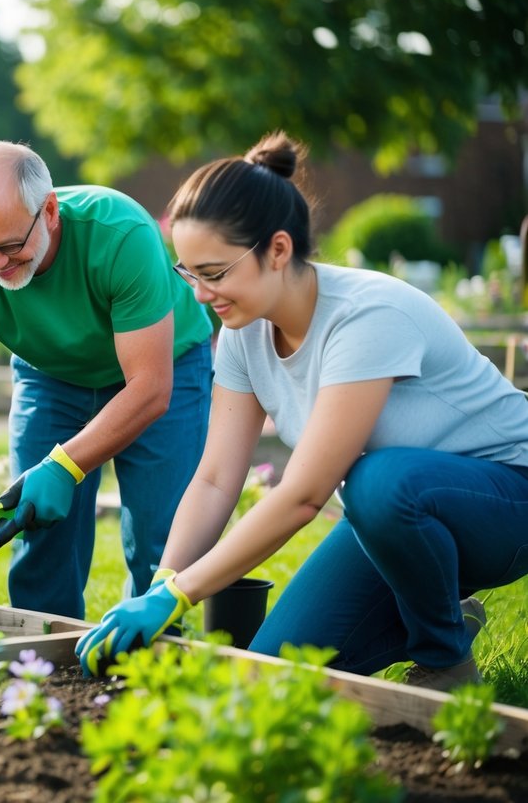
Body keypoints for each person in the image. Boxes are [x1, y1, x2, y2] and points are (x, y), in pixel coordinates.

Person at [76, 132, 528, 690]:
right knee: (270, 677)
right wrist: (161, 585)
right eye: (188, 273)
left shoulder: (367, 316)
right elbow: (217, 477)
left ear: (279, 250)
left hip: (506, 501)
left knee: (376, 481)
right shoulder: (245, 332)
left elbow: (306, 494)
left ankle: (444, 660)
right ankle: (434, 607)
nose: (199, 294)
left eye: (213, 273)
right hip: (398, 520)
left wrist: (181, 592)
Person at [0, 141, 214, 617]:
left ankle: (153, 658)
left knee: (159, 535)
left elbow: (150, 388)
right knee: (40, 536)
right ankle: (45, 668)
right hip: (50, 375)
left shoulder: (118, 232)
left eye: (8, 245)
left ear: (49, 210)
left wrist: (67, 465)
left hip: (162, 367)